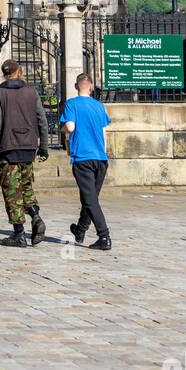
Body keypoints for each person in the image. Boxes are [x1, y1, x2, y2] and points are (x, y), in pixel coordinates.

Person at [0, 58, 50, 248]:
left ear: (4, 74)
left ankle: (19, 234)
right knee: (26, 187)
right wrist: (43, 147)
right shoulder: (32, 92)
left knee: (12, 191)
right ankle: (36, 218)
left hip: (9, 148)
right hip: (29, 148)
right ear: (19, 71)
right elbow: (42, 121)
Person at [60, 72, 112, 251]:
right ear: (90, 87)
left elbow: (70, 127)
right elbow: (105, 132)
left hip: (82, 156)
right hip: (100, 157)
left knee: (90, 199)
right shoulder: (99, 106)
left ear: (76, 86)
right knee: (90, 198)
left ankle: (104, 236)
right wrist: (103, 153)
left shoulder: (71, 104)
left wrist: (63, 129)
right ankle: (80, 230)